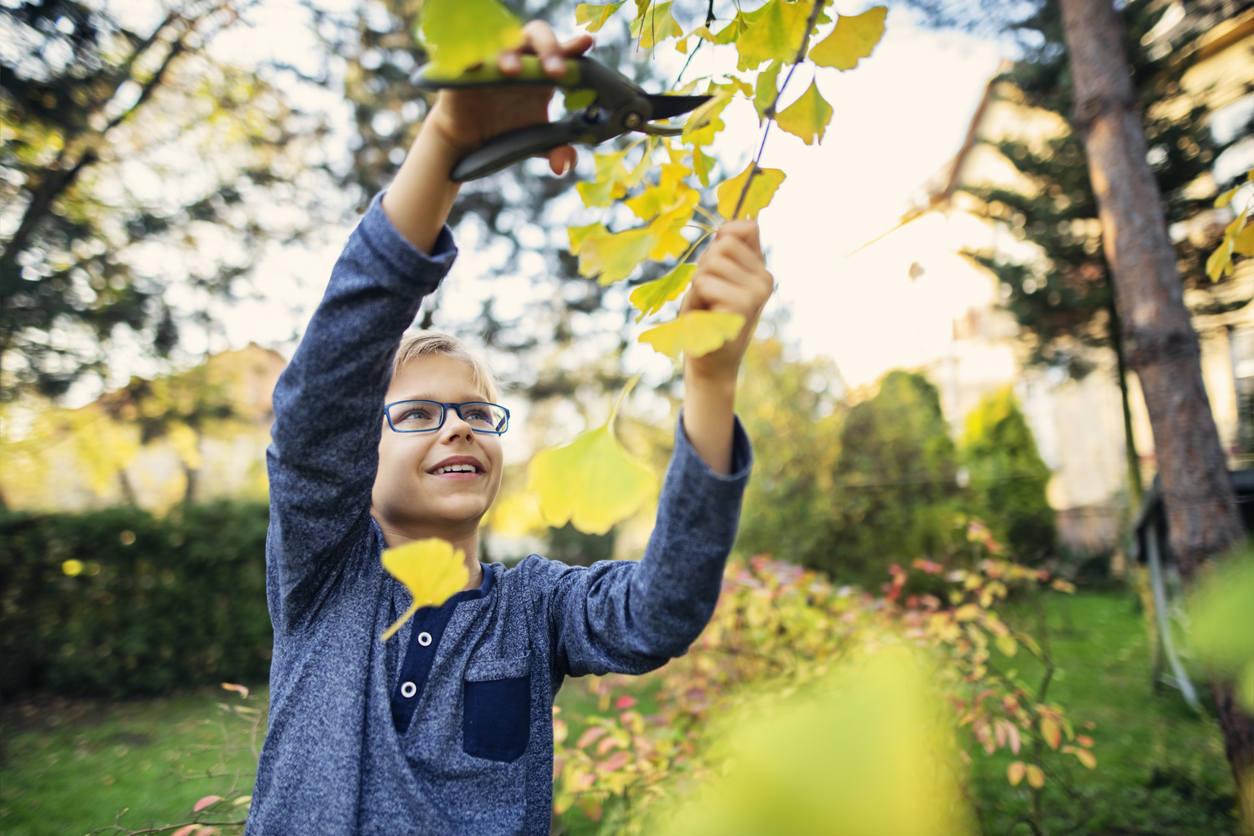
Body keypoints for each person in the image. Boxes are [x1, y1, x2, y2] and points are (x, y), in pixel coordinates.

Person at [246, 19, 772, 836]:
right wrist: (450, 140)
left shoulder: (535, 608)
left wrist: (710, 377)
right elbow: (319, 402)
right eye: (418, 414)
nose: (457, 430)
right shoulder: (323, 578)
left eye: (475, 413)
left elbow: (659, 611)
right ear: (360, 450)